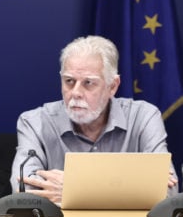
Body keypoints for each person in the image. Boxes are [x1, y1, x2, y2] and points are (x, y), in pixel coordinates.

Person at [10, 35, 178, 204]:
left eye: (88, 83)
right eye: (69, 81)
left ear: (112, 86)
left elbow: (168, 191)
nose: (76, 92)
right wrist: (129, 187)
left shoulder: (143, 117)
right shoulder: (35, 122)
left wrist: (73, 189)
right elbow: (24, 191)